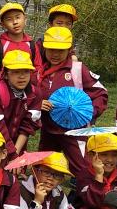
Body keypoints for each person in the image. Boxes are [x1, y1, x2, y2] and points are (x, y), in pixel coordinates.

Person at [35, 26, 107, 173]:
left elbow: (101, 93)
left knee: (82, 168)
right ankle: (46, 188)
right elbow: (30, 96)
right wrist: (37, 104)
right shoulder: (39, 71)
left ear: (69, 50)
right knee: (44, 166)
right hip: (48, 130)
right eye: (51, 50)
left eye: (60, 50)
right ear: (44, 48)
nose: (55, 54)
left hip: (74, 131)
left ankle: (86, 187)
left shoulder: (77, 69)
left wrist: (88, 112)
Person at [0, 49, 42, 159]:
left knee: (16, 169)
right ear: (6, 74)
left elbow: (29, 125)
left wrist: (16, 153)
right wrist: (11, 153)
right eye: (16, 72)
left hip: (18, 145)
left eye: (26, 71)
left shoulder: (35, 93)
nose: (22, 76)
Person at [0, 2, 40, 75]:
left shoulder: (32, 45)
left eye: (18, 17)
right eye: (9, 19)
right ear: (3, 24)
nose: (15, 22)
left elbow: (38, 70)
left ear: (25, 19)